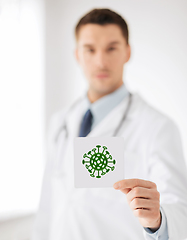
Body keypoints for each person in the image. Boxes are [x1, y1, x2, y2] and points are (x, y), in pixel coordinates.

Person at [32, 8, 187, 240]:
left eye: (111, 48)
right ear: (77, 55)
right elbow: (48, 206)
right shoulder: (61, 122)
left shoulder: (157, 127)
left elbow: (179, 212)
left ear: (127, 52)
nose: (101, 61)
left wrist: (157, 220)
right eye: (90, 49)